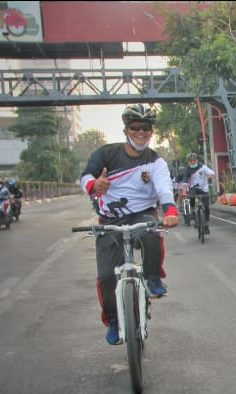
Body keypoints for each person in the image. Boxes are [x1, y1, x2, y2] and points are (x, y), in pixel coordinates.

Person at [79, 103, 179, 345]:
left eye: (146, 128)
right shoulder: (106, 154)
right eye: (135, 127)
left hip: (141, 214)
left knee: (151, 233)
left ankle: (153, 277)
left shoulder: (156, 162)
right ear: (126, 130)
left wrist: (171, 211)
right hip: (110, 219)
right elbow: (86, 176)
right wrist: (94, 186)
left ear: (151, 132)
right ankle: (114, 322)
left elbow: (164, 188)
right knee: (105, 276)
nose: (141, 132)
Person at [184, 152, 215, 234]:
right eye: (190, 161)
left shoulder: (203, 167)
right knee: (191, 198)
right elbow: (185, 182)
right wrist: (184, 192)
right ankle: (194, 214)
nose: (192, 162)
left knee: (207, 207)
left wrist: (208, 176)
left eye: (194, 160)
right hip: (193, 189)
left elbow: (212, 173)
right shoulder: (187, 170)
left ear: (197, 160)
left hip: (204, 189)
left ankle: (206, 225)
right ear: (188, 162)